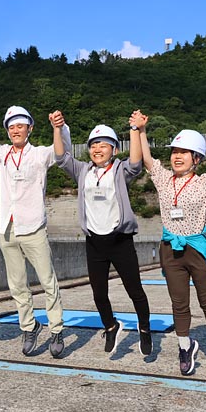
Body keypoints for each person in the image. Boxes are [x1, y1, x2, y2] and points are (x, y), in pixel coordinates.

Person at [0, 106, 70, 358]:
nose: (15, 130)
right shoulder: (3, 153)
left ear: (29, 128)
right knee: (17, 285)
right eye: (11, 127)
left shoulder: (40, 154)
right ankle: (29, 327)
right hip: (7, 229)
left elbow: (63, 153)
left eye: (20, 126)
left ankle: (57, 329)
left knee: (48, 282)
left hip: (34, 227)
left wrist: (60, 128)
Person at [133, 110, 206, 375]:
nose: (177, 156)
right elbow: (148, 161)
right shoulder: (165, 180)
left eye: (184, 152)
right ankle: (185, 346)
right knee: (179, 303)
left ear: (196, 159)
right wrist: (141, 131)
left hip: (197, 248)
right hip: (170, 249)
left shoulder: (205, 183)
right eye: (174, 151)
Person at [51, 111, 153, 357]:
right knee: (98, 292)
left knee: (134, 289)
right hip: (94, 242)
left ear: (114, 149)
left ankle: (145, 328)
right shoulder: (83, 171)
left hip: (119, 240)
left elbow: (136, 163)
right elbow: (61, 158)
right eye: (94, 145)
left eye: (104, 145)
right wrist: (56, 129)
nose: (97, 149)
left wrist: (135, 129)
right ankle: (110, 325)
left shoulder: (120, 170)